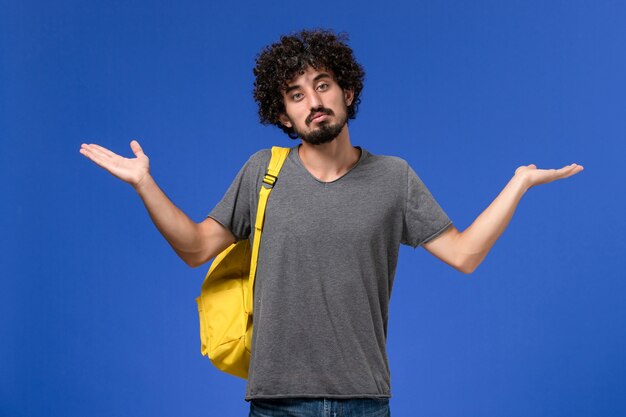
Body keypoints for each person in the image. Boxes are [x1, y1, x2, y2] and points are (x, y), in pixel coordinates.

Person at [79, 29, 584, 417]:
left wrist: (518, 183)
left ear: (346, 92)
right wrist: (144, 183)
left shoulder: (394, 177)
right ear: (283, 115)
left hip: (365, 400)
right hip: (276, 401)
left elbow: (465, 254)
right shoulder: (263, 172)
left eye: (323, 86)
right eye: (296, 95)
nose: (314, 102)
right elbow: (194, 248)